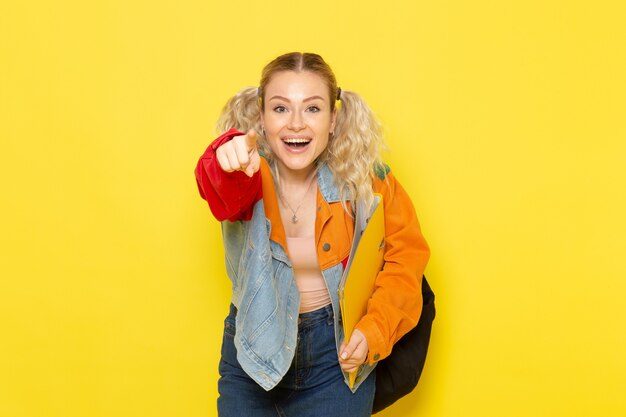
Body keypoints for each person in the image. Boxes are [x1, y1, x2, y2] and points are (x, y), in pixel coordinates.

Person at [194, 52, 430, 417]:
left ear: (334, 119)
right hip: (255, 351)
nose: (297, 124)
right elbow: (216, 184)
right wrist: (223, 157)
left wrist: (374, 330)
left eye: (313, 109)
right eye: (281, 109)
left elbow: (406, 258)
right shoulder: (245, 172)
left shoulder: (369, 180)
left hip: (335, 355)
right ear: (261, 116)